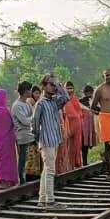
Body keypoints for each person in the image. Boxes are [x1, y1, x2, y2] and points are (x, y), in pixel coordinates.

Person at [31, 74, 71, 208]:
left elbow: (66, 97)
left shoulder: (54, 102)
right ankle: (50, 201)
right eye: (51, 84)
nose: (53, 87)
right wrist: (39, 140)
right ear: (44, 86)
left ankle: (42, 200)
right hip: (46, 141)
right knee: (50, 170)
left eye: (54, 85)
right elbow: (35, 125)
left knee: (46, 170)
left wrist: (58, 84)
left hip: (54, 139)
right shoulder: (40, 104)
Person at [0, 88, 19, 190]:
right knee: (7, 160)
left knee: (0, 160)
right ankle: (5, 181)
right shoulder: (4, 111)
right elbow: (11, 124)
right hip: (6, 139)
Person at [11, 81, 35, 184]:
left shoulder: (28, 104)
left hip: (30, 134)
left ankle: (30, 178)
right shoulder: (17, 105)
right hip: (22, 135)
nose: (31, 92)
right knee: (23, 158)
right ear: (25, 91)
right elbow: (24, 121)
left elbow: (31, 118)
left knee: (31, 158)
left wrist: (32, 119)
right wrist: (33, 119)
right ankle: (21, 179)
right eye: (29, 90)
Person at [60, 81, 85, 173]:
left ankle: (77, 164)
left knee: (76, 145)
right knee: (67, 145)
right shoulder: (62, 99)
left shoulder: (74, 98)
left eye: (71, 88)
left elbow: (79, 112)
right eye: (67, 88)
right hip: (66, 124)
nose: (69, 90)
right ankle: (68, 165)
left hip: (76, 124)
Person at [78, 84, 97, 165]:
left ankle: (85, 162)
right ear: (84, 93)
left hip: (89, 125)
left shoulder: (92, 101)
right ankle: (84, 162)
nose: (89, 94)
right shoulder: (80, 101)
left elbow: (96, 111)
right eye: (88, 93)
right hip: (83, 126)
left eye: (91, 93)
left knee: (86, 144)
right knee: (84, 144)